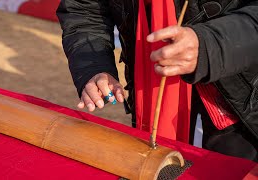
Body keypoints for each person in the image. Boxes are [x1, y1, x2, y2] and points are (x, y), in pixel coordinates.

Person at [56, 0, 258, 162]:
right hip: (149, 90)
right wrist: (94, 66)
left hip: (245, 101)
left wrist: (211, 47)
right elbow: (84, 8)